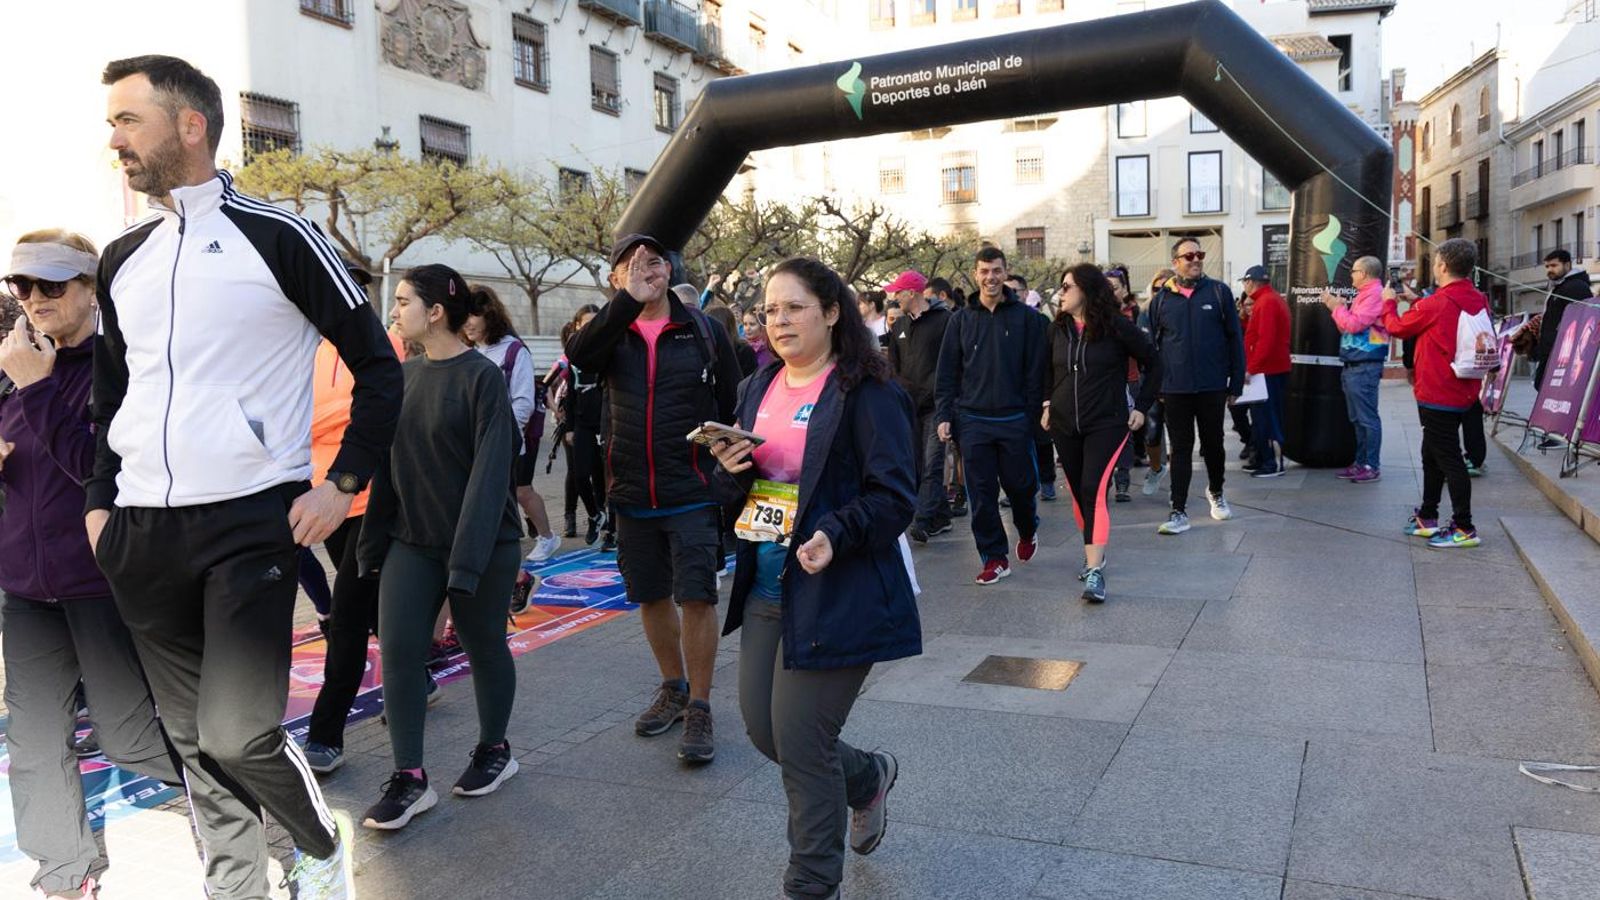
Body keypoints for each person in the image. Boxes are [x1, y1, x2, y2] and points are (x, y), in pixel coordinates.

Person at [90, 55, 401, 898]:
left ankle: (319, 843)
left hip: (247, 520)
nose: (112, 138)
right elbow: (112, 391)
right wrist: (99, 504)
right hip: (141, 528)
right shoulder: (124, 257)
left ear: (189, 125)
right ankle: (237, 887)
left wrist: (342, 485)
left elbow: (380, 367)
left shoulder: (281, 237)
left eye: (128, 120)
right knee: (191, 741)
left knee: (237, 733)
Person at [709, 257, 918, 900]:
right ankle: (867, 777)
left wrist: (836, 532)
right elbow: (741, 497)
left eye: (794, 306)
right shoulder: (758, 386)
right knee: (765, 732)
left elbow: (894, 496)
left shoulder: (868, 391)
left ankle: (810, 882)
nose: (779, 321)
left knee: (801, 743)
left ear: (832, 312)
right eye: (770, 310)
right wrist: (729, 467)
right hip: (769, 586)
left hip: (840, 591)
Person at [1, 230, 184, 899]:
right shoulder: (15, 362)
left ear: (89, 287)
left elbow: (98, 471)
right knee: (34, 743)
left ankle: (230, 795)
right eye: (22, 285)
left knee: (130, 738)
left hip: (101, 582)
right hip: (24, 586)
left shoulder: (123, 362)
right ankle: (64, 877)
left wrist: (39, 390)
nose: (34, 299)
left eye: (51, 284)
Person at [355, 265, 524, 829]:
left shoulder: (483, 378)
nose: (393, 311)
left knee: (482, 646)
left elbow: (490, 474)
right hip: (413, 542)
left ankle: (495, 751)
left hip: (481, 545)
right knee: (399, 652)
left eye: (402, 302)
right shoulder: (402, 376)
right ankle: (410, 777)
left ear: (434, 313)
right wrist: (372, 547)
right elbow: (387, 466)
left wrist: (466, 564)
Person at [565, 234, 742, 764]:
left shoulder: (703, 330)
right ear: (617, 278)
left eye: (655, 260)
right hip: (631, 492)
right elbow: (578, 356)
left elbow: (736, 402)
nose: (646, 269)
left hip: (690, 489)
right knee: (649, 595)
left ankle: (702, 705)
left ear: (671, 270)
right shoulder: (609, 334)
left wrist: (726, 473)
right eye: (632, 264)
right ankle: (673, 686)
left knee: (697, 596)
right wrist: (625, 301)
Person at [302, 267, 409, 776]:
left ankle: (326, 733)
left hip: (370, 498)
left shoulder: (384, 341)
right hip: (320, 501)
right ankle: (416, 678)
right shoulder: (306, 345)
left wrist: (321, 420)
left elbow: (376, 406)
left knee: (345, 616)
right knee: (368, 608)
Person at [1044, 265, 1159, 603]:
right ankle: (1094, 550)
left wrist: (1141, 406)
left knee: (1094, 489)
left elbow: (1155, 363)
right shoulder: (1057, 330)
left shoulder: (1118, 328)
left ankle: (1094, 571)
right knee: (1080, 493)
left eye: (1067, 286)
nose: (1061, 292)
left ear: (1087, 291)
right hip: (1065, 424)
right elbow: (1044, 371)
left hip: (1107, 423)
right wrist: (1047, 403)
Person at [935, 247, 1048, 584]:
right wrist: (945, 415)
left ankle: (1027, 530)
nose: (990, 277)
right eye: (984, 271)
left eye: (996, 271)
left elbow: (1036, 372)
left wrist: (1031, 415)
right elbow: (947, 374)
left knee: (1021, 488)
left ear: (1005, 272)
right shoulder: (960, 321)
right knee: (981, 496)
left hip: (1015, 419)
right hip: (972, 421)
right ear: (975, 273)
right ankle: (995, 557)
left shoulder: (1027, 319)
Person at [1381, 238, 1487, 549]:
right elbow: (1442, 320)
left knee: (1449, 458)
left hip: (1438, 391)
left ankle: (1464, 526)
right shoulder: (1477, 297)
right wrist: (1417, 300)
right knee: (1432, 453)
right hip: (1464, 388)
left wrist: (1389, 301)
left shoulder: (1436, 303)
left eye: (1436, 262)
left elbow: (1398, 328)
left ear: (1441, 265)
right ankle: (1428, 516)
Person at [1146, 240, 1244, 534]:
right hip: (1175, 388)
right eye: (1189, 256)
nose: (1196, 260)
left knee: (1213, 443)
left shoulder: (1218, 292)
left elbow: (1234, 339)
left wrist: (1235, 382)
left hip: (1212, 385)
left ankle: (1216, 491)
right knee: (1181, 448)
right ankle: (1178, 510)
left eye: (1200, 255)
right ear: (1176, 261)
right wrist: (1156, 385)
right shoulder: (1161, 300)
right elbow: (1152, 347)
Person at [464, 286, 561, 562]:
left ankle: (546, 537)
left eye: (474, 315)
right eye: (464, 315)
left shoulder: (514, 350)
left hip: (511, 441)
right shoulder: (468, 351)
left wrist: (506, 439)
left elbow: (523, 402)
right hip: (477, 442)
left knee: (521, 491)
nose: (468, 322)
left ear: (489, 315)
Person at [887, 269, 953, 543]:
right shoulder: (899, 327)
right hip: (909, 407)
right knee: (916, 463)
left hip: (938, 405)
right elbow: (893, 365)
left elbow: (952, 361)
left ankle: (923, 520)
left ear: (911, 292)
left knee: (932, 463)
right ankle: (941, 516)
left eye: (898, 292)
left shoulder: (945, 321)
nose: (894, 297)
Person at [1322, 256, 1389, 483]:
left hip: (1365, 366)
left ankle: (1371, 465)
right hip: (1355, 364)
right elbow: (1347, 328)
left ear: (1364, 273)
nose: (1351, 275)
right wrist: (1339, 310)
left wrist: (1336, 307)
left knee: (1367, 419)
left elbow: (1354, 324)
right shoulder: (1365, 295)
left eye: (1353, 271)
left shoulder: (1374, 295)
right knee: (1358, 419)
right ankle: (1361, 463)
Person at [559, 305, 612, 546]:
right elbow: (569, 394)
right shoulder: (573, 357)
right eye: (584, 323)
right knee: (580, 474)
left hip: (604, 422)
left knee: (603, 477)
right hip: (581, 424)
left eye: (594, 322)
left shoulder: (609, 350)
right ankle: (594, 514)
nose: (589, 327)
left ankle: (610, 527)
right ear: (576, 326)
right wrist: (568, 427)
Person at [1532, 249, 1593, 449]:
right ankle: (1554, 431)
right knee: (1544, 388)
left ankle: (1561, 433)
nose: (1550, 270)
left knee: (1557, 393)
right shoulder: (1559, 286)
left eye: (1554, 265)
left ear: (1567, 264)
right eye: (1547, 266)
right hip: (1551, 352)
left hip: (1564, 355)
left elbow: (1583, 320)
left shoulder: (1575, 287)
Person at [1240, 265, 1292, 478]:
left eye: (1245, 282)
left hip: (1267, 371)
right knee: (1261, 417)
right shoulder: (1269, 299)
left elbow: (1266, 340)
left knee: (1268, 418)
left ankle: (1273, 462)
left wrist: (1251, 368)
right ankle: (1263, 459)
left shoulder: (1267, 302)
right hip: (1267, 370)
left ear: (1250, 282)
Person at [1106, 266, 1144, 501]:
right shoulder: (1094, 316)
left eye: (1115, 288)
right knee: (1106, 431)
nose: (1111, 293)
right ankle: (1106, 474)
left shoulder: (1134, 313)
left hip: (1130, 379)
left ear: (1124, 289)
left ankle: (1123, 478)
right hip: (1105, 383)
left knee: (1126, 430)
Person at [1139, 268, 1174, 497]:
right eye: (1156, 288)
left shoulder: (1180, 311)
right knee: (1151, 433)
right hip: (1152, 381)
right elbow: (1144, 348)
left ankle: (1177, 487)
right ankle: (1155, 468)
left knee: (1179, 437)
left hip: (1177, 383)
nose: (1160, 292)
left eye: (1166, 288)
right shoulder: (1146, 311)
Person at [706, 302, 759, 377]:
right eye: (745, 324)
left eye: (752, 324)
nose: (747, 328)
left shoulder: (743, 351)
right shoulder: (705, 350)